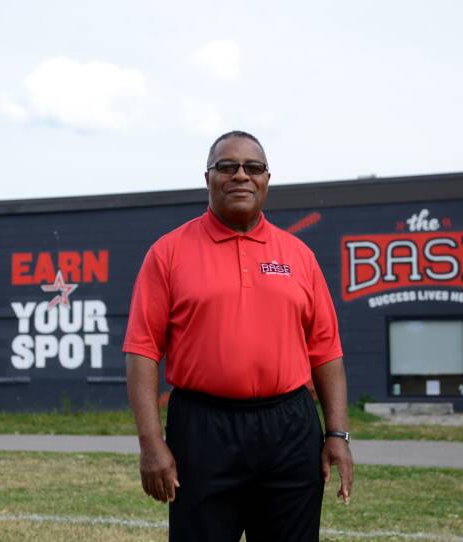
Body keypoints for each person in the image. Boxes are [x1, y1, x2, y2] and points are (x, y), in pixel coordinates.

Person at [123, 131, 353, 541]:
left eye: (253, 167)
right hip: (202, 428)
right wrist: (151, 443)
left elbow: (326, 352)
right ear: (208, 178)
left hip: (289, 426)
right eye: (227, 167)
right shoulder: (168, 252)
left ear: (267, 179)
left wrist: (336, 434)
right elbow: (142, 351)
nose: (241, 176)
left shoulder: (299, 256)